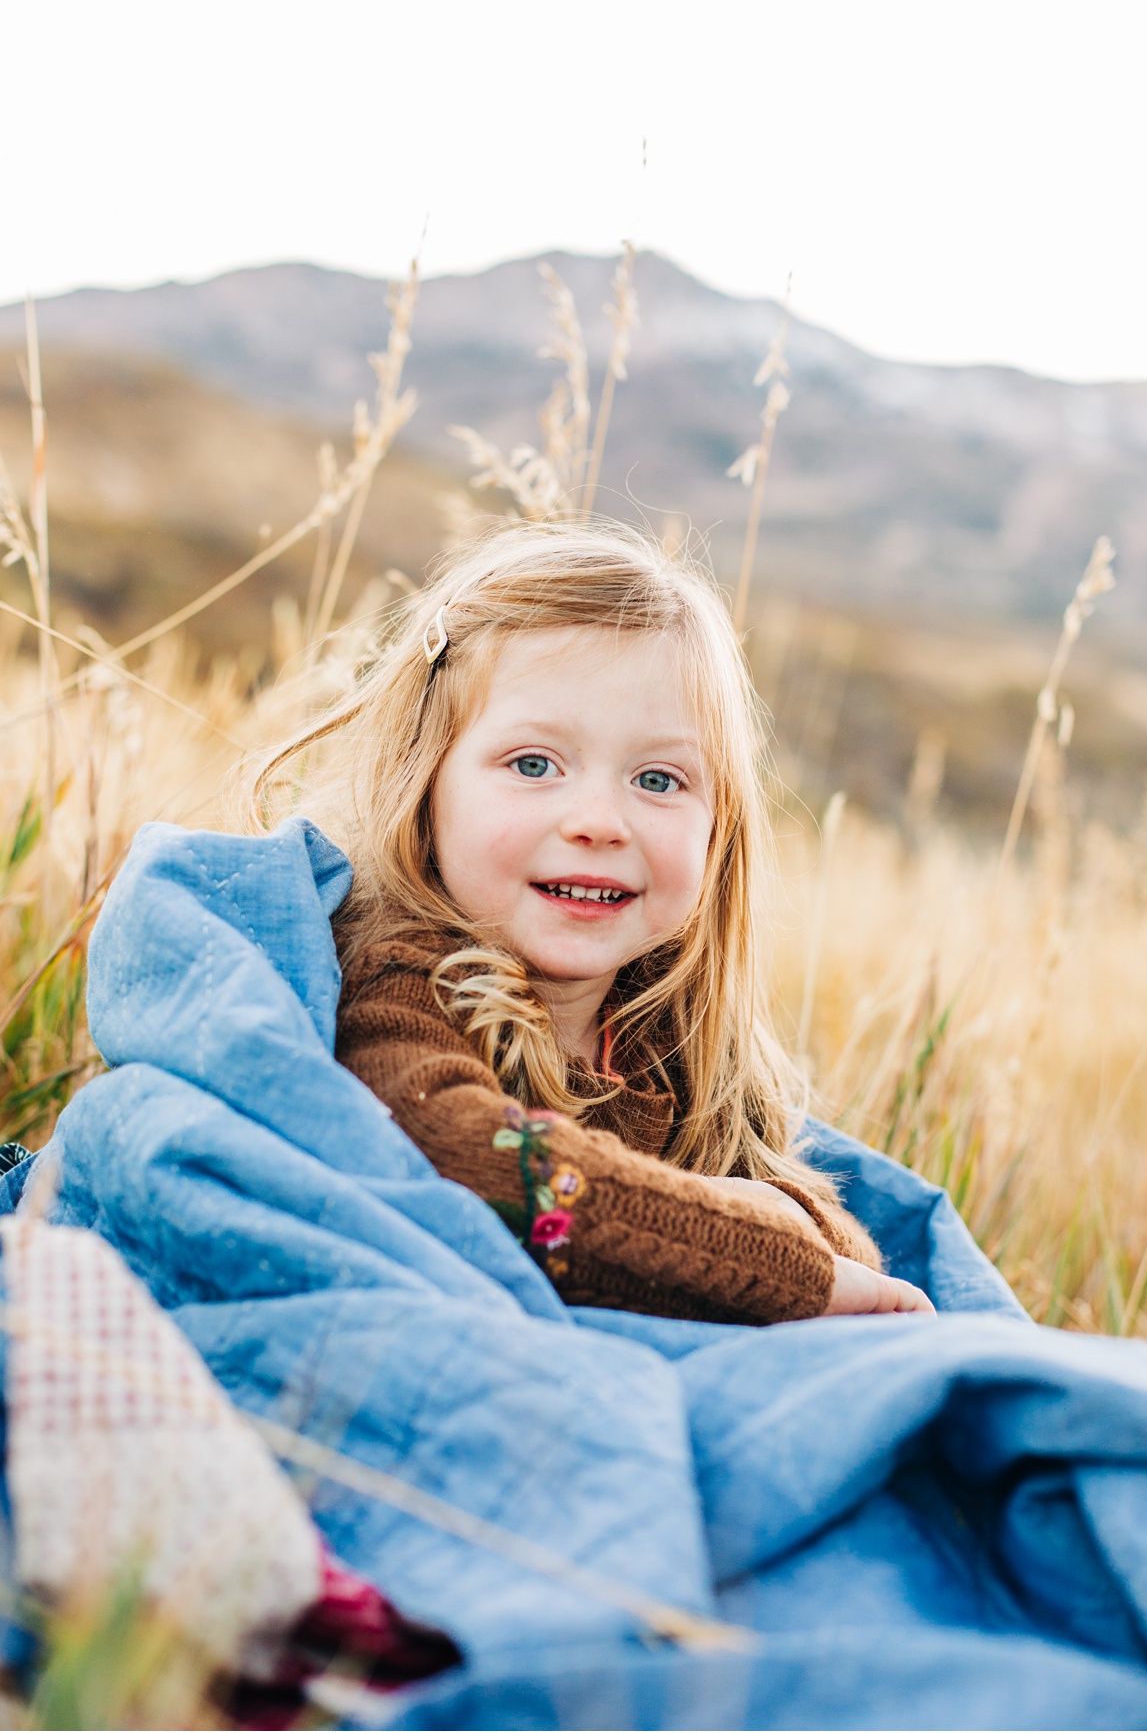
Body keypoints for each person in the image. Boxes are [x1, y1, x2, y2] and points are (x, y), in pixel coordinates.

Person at [254, 521, 933, 1325]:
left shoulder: (665, 1034)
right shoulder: (406, 987)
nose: (599, 821)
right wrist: (756, 1249)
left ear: (720, 831)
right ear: (424, 783)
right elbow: (471, 1171)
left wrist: (784, 1225)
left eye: (658, 777)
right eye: (534, 764)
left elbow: (827, 1239)